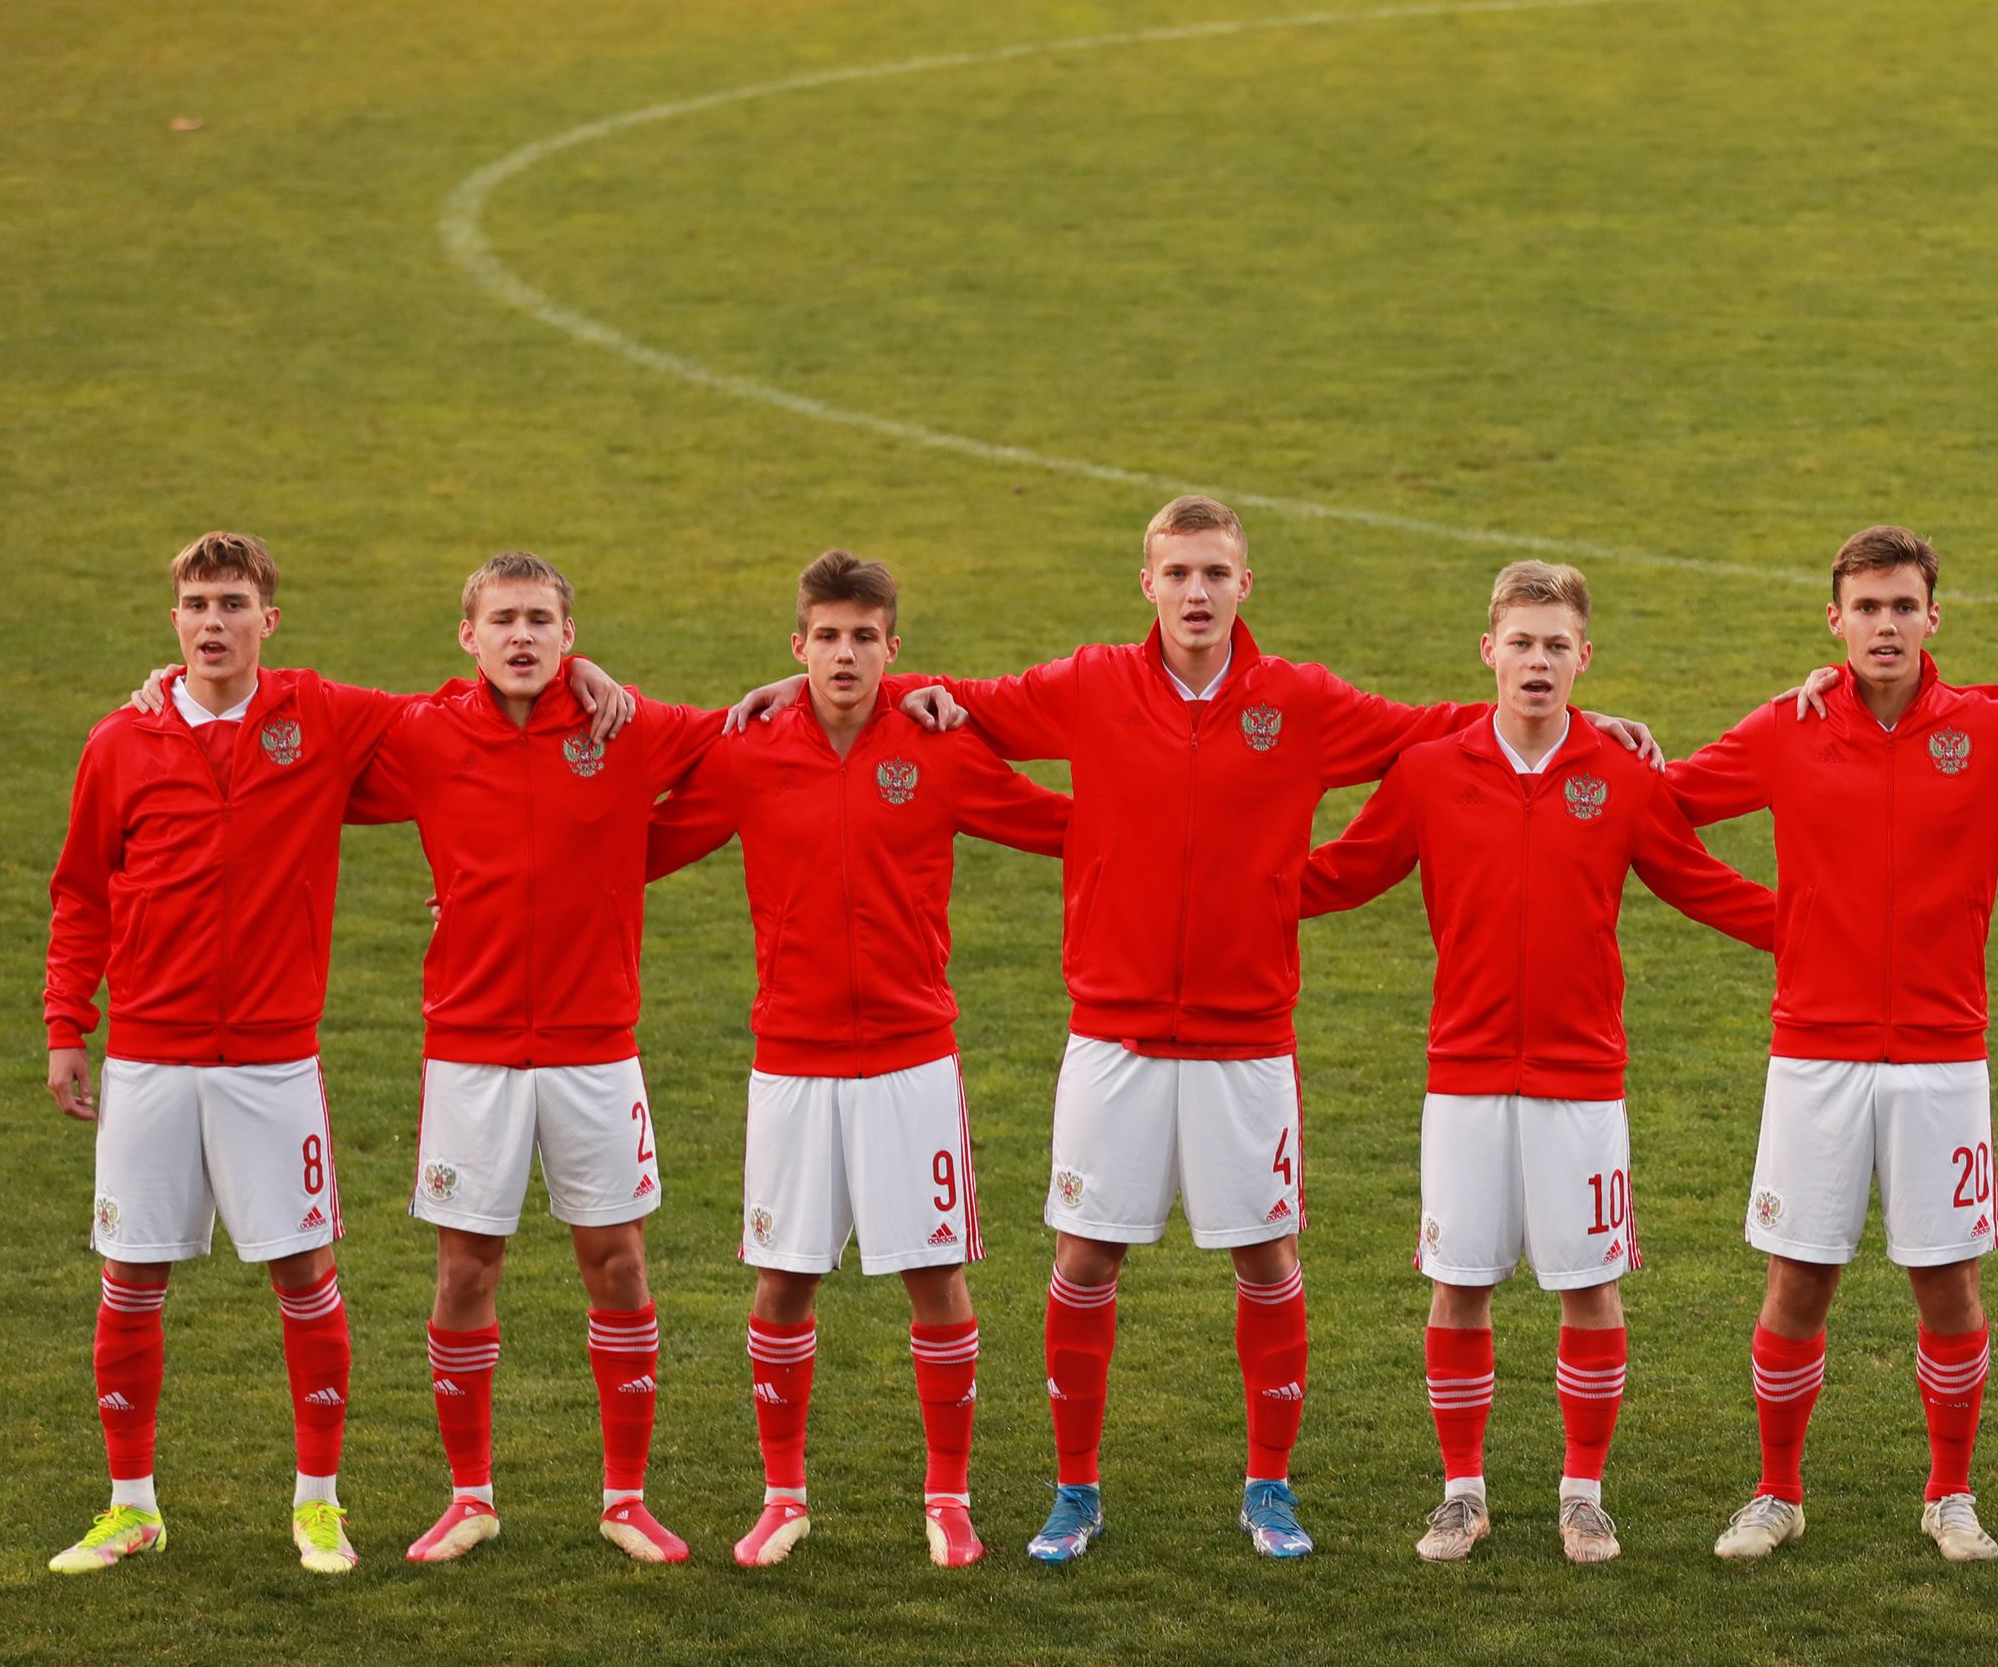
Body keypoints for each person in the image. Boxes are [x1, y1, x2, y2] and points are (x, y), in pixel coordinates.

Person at [730, 495, 1660, 1565]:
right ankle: (1074, 1492)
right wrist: (795, 691)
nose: (1197, 593)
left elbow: (1442, 722)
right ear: (1150, 586)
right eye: (1178, 575)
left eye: (1215, 574)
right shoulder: (1086, 686)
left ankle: (1270, 1489)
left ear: (1242, 587)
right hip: (1113, 1037)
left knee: (1267, 1259)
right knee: (1085, 1260)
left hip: (1246, 1039)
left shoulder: (1299, 703)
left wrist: (1588, 730)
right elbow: (942, 698)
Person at [1298, 561, 1776, 1564]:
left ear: (1585, 659)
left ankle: (1583, 1494)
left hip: (1582, 1079)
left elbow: (1706, 887)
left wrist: (1829, 933)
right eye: (1521, 642)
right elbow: (1341, 873)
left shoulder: (1622, 774)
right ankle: (1461, 1493)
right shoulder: (1430, 772)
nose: (1538, 661)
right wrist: (1219, 877)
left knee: (1588, 1286)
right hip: (1464, 1077)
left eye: (1557, 644)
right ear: (1489, 652)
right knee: (1458, 1282)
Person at [1661, 524, 1998, 1565]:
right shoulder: (1787, 728)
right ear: (1835, 621)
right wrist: (1775, 924)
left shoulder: (1988, 734)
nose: (1884, 624)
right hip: (1813, 1055)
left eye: (1903, 606)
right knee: (1798, 1280)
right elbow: (1667, 806)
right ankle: (1777, 1492)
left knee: (1947, 1282)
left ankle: (1950, 1495)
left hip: (1943, 1059)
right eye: (1865, 608)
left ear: (1931, 618)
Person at [648, 550, 1072, 1569]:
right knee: (783, 1279)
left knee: (934, 1275)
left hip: (911, 1060)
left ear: (894, 647)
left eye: (863, 637)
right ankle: (783, 1496)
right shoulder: (749, 751)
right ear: (798, 649)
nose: (845, 653)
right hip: (790, 1064)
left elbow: (1067, 827)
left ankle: (949, 1498)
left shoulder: (939, 748)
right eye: (826, 638)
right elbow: (637, 850)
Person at [43, 534, 404, 1575]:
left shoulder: (322, 718)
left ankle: (321, 1504)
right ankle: (130, 1506)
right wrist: (69, 1025)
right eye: (196, 604)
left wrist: (586, 672)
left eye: (233, 603)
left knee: (304, 1272)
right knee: (131, 1276)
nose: (213, 621)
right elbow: (82, 891)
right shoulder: (119, 742)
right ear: (175, 623)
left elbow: (462, 727)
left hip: (271, 1062)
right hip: (148, 1060)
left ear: (267, 620)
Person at [356, 553, 718, 1568]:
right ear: (467, 637)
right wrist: (165, 690)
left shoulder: (622, 728)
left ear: (569, 635)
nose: (522, 637)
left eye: (541, 621)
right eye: (503, 620)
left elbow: (763, 727)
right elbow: (275, 747)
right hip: (468, 1050)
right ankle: (469, 1497)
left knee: (618, 1259)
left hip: (596, 1048)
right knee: (466, 1265)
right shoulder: (425, 734)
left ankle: (627, 1500)